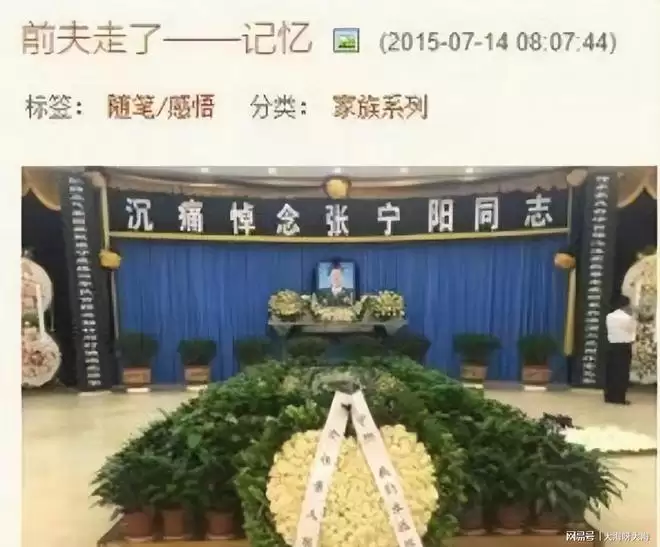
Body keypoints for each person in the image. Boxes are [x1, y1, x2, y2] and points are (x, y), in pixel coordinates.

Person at [604, 295, 636, 405]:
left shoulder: (609, 316)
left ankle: (609, 396)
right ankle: (619, 397)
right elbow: (632, 332)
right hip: (624, 346)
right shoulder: (627, 318)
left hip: (612, 346)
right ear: (625, 305)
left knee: (611, 372)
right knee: (622, 373)